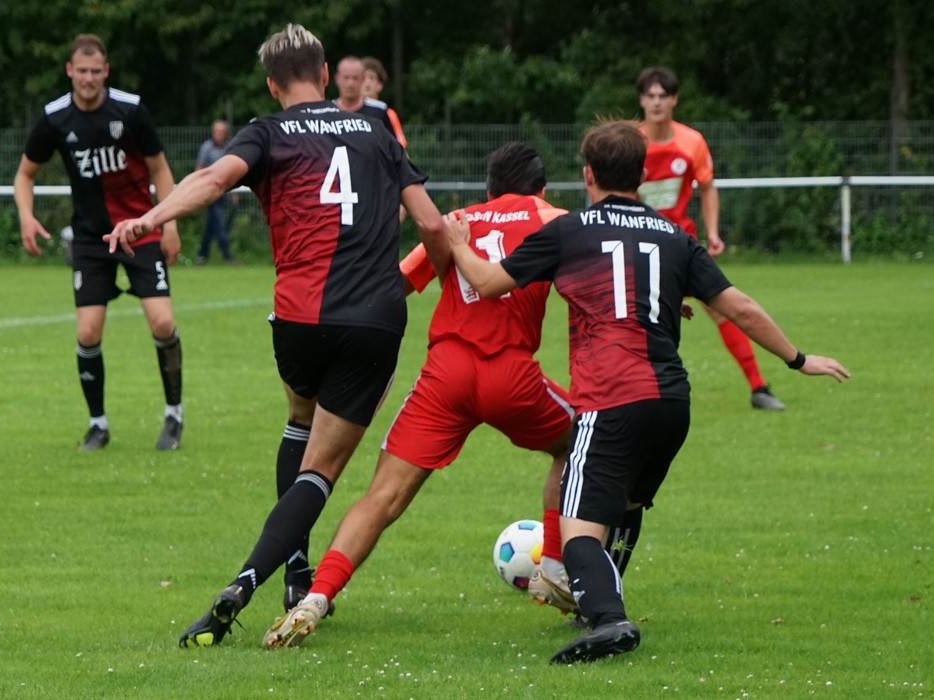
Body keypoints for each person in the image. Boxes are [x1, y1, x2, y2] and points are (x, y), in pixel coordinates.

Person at [441, 120, 850, 664]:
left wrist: (458, 244)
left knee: (577, 532)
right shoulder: (675, 236)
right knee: (626, 505)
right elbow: (739, 306)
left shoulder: (571, 230)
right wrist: (799, 359)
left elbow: (489, 283)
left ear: (588, 174)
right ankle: (600, 605)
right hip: (671, 404)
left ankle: (608, 620)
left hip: (611, 398)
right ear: (642, 174)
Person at [103, 23, 447, 648]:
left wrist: (149, 218)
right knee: (323, 468)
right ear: (325, 75)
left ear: (271, 84)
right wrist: (451, 281)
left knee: (300, 420)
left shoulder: (267, 132)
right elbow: (430, 224)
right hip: (373, 319)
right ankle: (248, 581)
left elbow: (212, 182)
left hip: (298, 322)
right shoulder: (375, 131)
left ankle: (296, 572)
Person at [261, 142, 581, 650]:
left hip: (444, 375)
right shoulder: (555, 219)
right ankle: (557, 569)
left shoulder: (452, 221)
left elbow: (395, 284)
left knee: (381, 497)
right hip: (511, 374)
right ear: (541, 189)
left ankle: (315, 598)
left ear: (489, 189)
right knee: (581, 440)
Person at [14, 33, 184, 452]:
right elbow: (25, 174)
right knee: (88, 331)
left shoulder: (130, 110)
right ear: (69, 71)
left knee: (162, 323)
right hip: (91, 239)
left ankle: (174, 414)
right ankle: (97, 424)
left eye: (95, 71)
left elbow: (160, 169)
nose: (88, 79)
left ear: (105, 71)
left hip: (140, 231)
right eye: (81, 71)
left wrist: (169, 224)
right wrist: (26, 217)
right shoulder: (55, 118)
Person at [635, 66, 786, 411]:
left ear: (674, 100)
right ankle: (636, 394)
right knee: (637, 319)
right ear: (641, 100)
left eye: (663, 96)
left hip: (681, 242)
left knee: (722, 309)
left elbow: (707, 187)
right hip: (640, 247)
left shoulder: (692, 142)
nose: (656, 102)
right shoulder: (633, 143)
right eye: (650, 96)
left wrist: (713, 232)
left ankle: (759, 388)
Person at [194, 120, 239, 265]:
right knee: (219, 223)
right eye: (216, 131)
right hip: (209, 192)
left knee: (211, 225)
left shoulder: (228, 148)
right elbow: (199, 168)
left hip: (223, 192)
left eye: (221, 132)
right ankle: (227, 255)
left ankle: (202, 256)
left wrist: (234, 192)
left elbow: (231, 171)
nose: (218, 134)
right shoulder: (207, 147)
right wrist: (199, 188)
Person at [332, 55, 398, 139]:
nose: (350, 83)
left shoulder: (381, 111)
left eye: (355, 78)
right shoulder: (327, 112)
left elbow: (395, 144)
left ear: (361, 79)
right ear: (337, 79)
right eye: (346, 78)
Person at [361, 56, 407, 149]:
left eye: (372, 78)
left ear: (380, 85)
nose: (367, 82)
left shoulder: (388, 114)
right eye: (363, 78)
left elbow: (399, 148)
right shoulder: (348, 113)